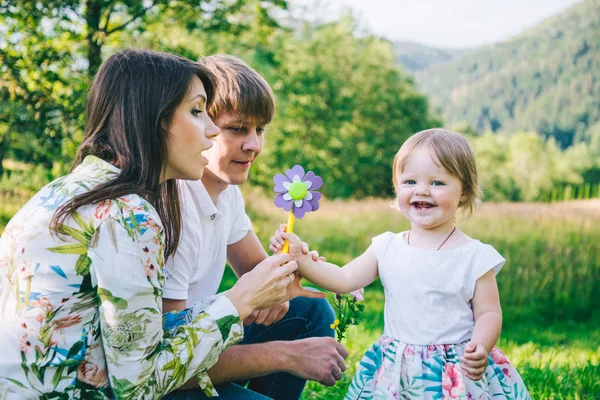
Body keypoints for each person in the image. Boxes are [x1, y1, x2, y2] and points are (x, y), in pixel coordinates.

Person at [0, 49, 303, 400]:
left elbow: (134, 341)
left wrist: (244, 299)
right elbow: (138, 386)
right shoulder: (127, 215)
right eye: (196, 112)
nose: (209, 131)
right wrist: (237, 302)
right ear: (155, 120)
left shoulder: (70, 190)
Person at [270, 129, 531, 399]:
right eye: (409, 181)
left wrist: (481, 345)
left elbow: (489, 313)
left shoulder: (474, 256)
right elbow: (343, 279)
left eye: (438, 183)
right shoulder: (387, 247)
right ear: (397, 187)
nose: (422, 190)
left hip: (455, 372)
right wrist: (300, 257)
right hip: (399, 369)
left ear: (464, 191)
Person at [161, 55, 347, 400]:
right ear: (201, 127)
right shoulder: (174, 208)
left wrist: (292, 269)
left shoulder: (226, 194)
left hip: (202, 338)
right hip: (168, 375)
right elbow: (166, 359)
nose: (254, 145)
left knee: (311, 311)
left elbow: (259, 273)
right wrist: (288, 356)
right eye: (237, 129)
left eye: (260, 130)